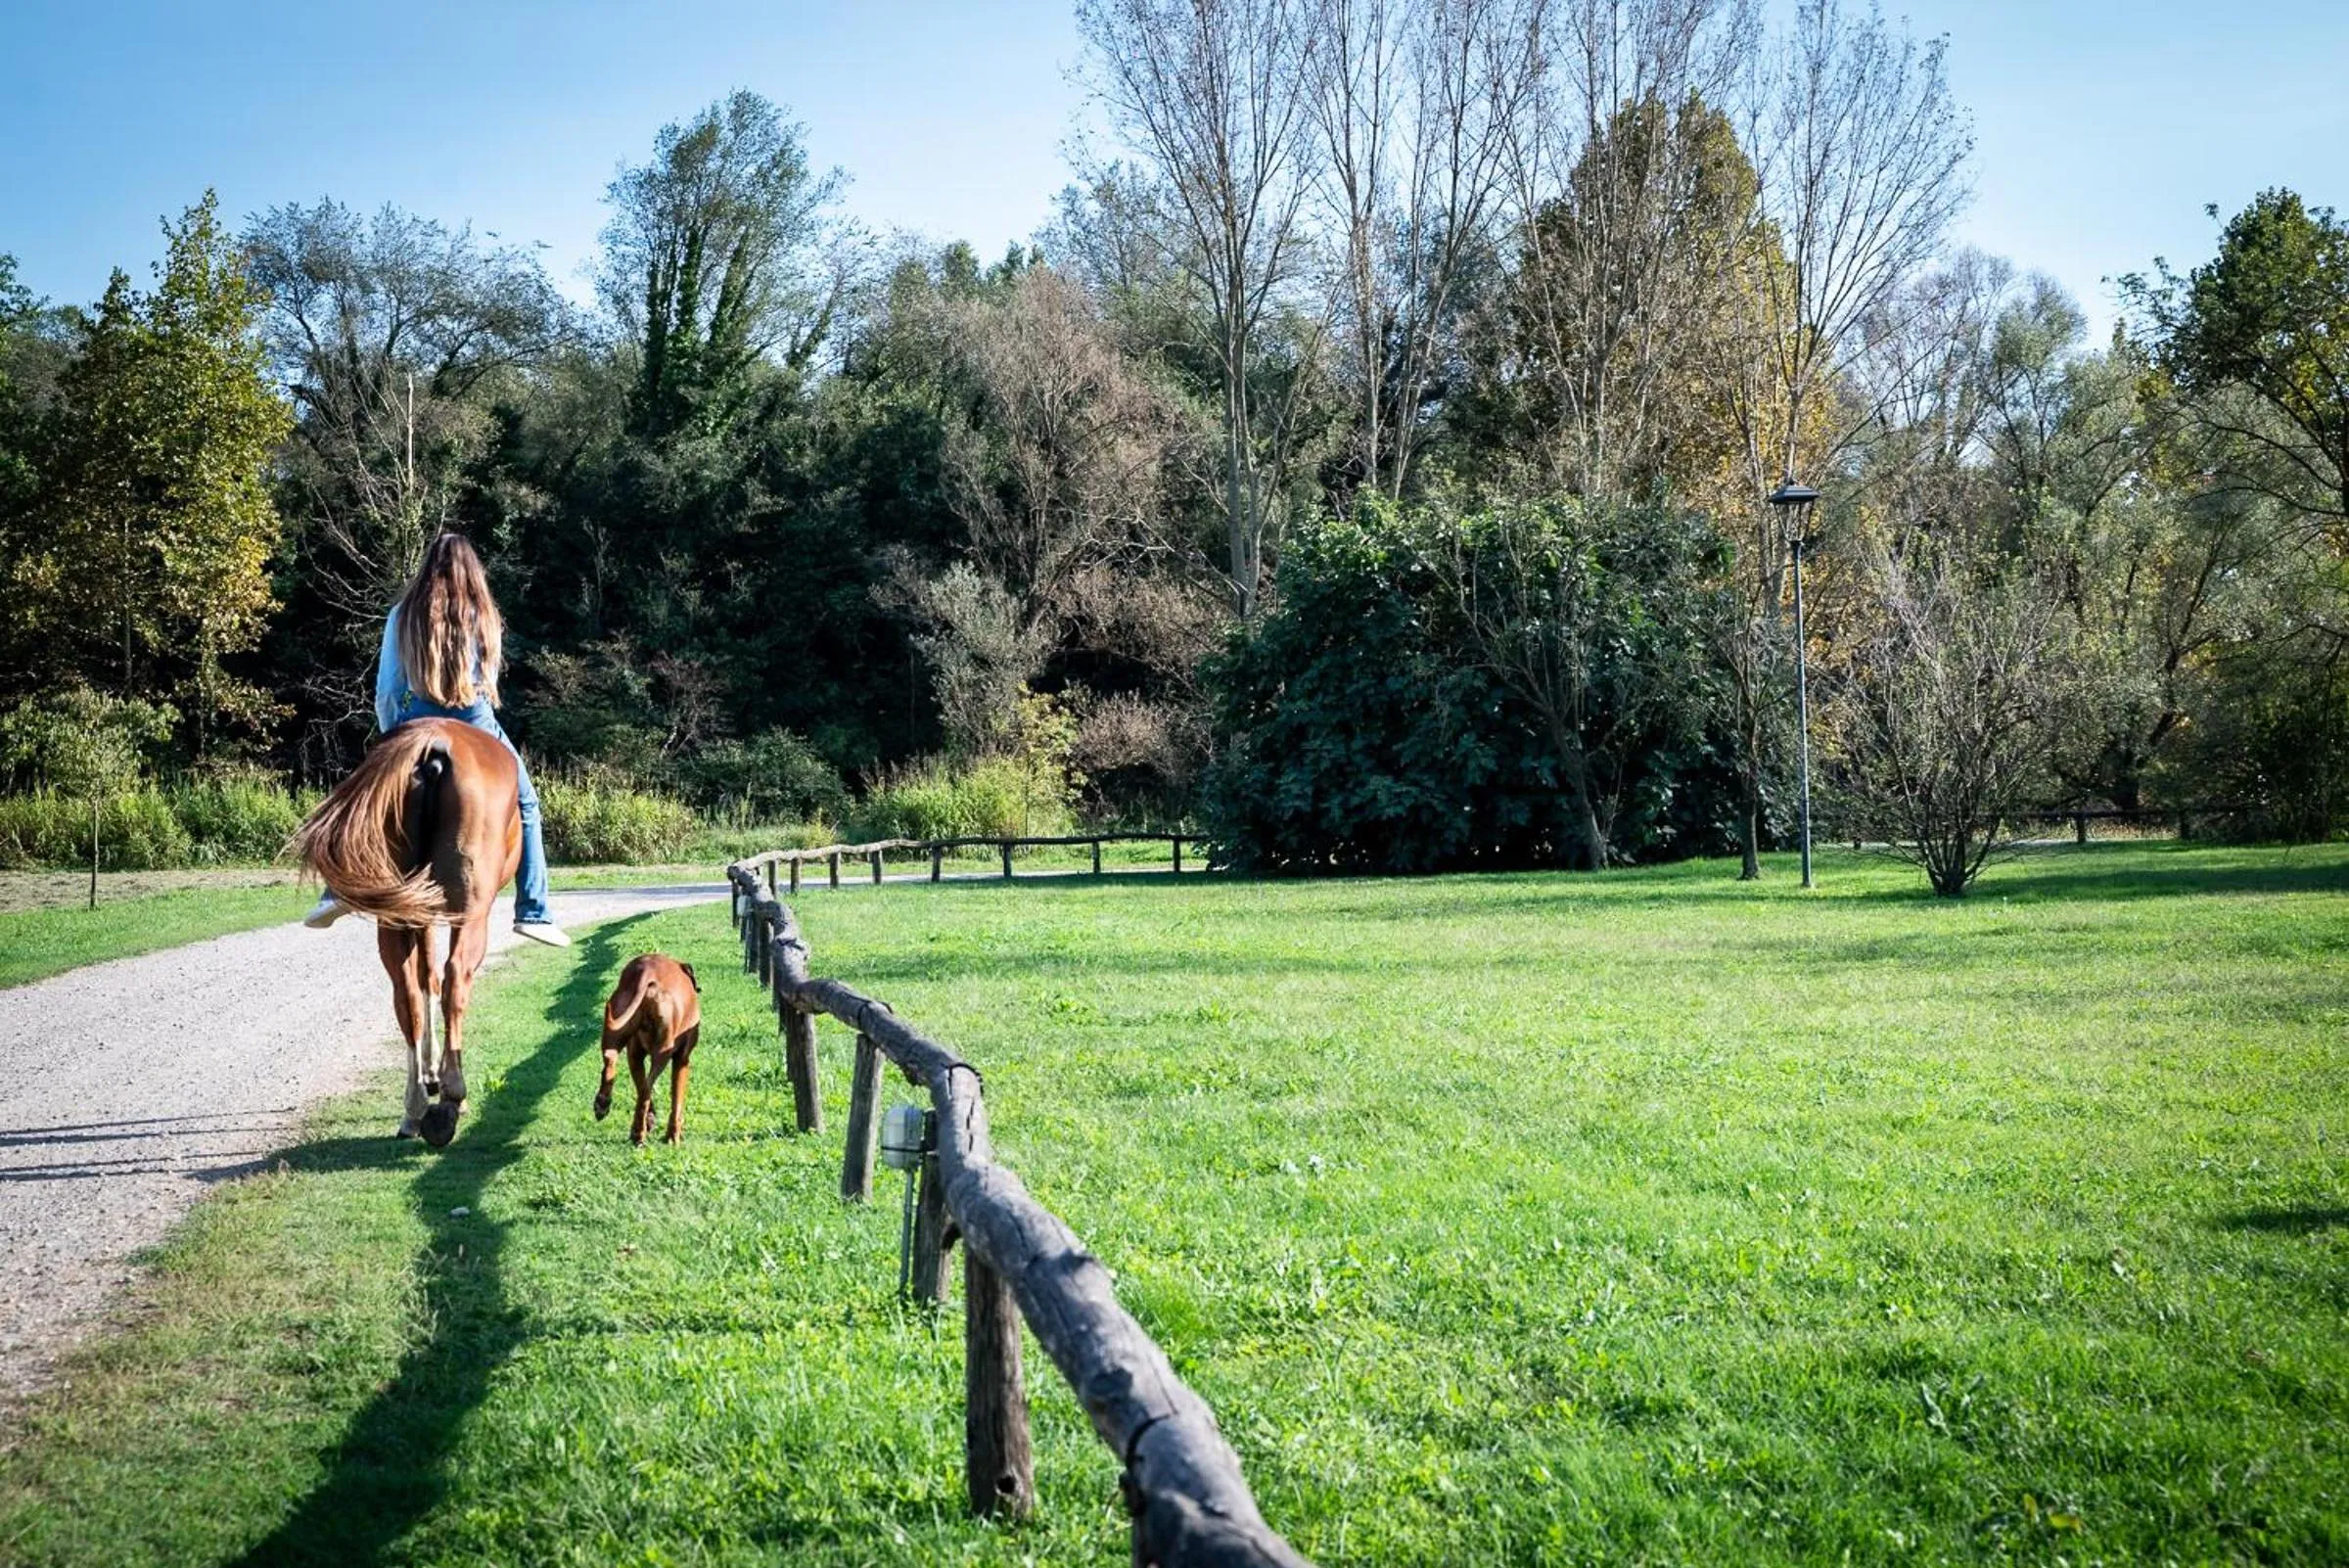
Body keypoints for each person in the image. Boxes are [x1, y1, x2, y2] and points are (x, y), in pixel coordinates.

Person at [304, 533, 570, 946]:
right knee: (527, 804)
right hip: (476, 717)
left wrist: (392, 738)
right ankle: (534, 911)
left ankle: (337, 889)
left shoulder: (403, 614)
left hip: (417, 716)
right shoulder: (485, 614)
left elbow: (388, 689)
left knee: (360, 797)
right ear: (473, 571)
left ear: (428, 567)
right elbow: (489, 681)